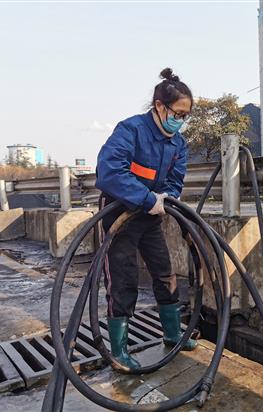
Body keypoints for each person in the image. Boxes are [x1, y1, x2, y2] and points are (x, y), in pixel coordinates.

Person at [95, 68, 197, 370]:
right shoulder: (131, 130)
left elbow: (175, 180)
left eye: (186, 116)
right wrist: (145, 198)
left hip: (151, 215)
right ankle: (119, 350)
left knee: (164, 272)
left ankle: (172, 334)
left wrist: (166, 198)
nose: (180, 120)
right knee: (123, 278)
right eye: (177, 113)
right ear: (159, 106)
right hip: (119, 214)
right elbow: (110, 172)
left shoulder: (178, 144)